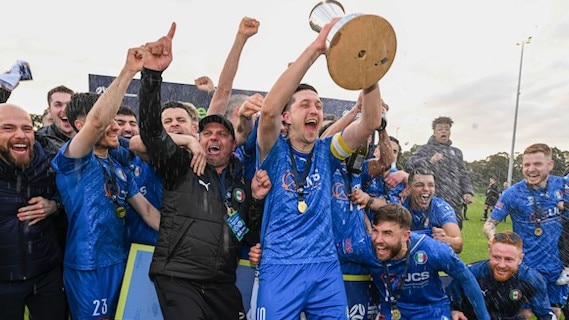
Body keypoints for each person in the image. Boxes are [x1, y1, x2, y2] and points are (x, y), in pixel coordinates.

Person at [255, 16, 384, 318]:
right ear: (288, 118)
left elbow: (370, 122)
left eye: (318, 105)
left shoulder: (327, 152)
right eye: (304, 105)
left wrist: (369, 72)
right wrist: (316, 49)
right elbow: (270, 110)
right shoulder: (273, 150)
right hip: (280, 266)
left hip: (325, 267)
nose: (314, 110)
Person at [138, 22, 265, 320]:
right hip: (179, 279)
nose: (214, 138)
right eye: (207, 133)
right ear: (198, 138)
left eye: (222, 134)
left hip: (222, 284)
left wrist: (257, 199)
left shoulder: (241, 181)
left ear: (233, 144)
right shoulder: (180, 165)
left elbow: (248, 234)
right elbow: (152, 133)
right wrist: (152, 75)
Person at [51, 35, 162, 319]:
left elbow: (148, 212)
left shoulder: (119, 167)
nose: (116, 126)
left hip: (121, 260)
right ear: (80, 125)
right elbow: (98, 121)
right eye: (111, 119)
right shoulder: (73, 160)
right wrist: (128, 72)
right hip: (88, 267)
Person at [483, 143, 569, 319]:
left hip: (556, 269)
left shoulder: (563, 187)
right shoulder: (512, 194)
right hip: (524, 269)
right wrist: (492, 237)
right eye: (526, 165)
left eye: (537, 164)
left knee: (553, 313)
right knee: (523, 314)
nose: (531, 169)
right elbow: (490, 223)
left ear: (550, 165)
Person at [0, 103, 66, 320]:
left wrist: (55, 205)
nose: (20, 135)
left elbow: (75, 198)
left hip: (46, 277)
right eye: (7, 128)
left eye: (27, 129)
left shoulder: (49, 164)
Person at [370, 203, 490, 320]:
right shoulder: (366, 247)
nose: (379, 240)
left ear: (406, 236)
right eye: (375, 231)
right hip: (393, 310)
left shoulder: (432, 249)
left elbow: (466, 278)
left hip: (431, 311)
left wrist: (484, 318)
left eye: (387, 233)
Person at [447, 231, 555, 320]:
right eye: (496, 257)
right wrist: (453, 310)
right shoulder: (471, 274)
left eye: (508, 259)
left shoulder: (531, 279)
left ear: (520, 259)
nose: (501, 265)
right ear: (490, 254)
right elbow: (445, 300)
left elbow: (545, 315)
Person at [405, 116, 474, 229]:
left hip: (454, 202)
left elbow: (463, 174)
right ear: (434, 131)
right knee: (433, 235)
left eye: (446, 129)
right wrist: (429, 160)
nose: (444, 131)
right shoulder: (425, 149)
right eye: (440, 129)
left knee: (453, 237)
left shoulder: (456, 152)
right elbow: (409, 164)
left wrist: (467, 191)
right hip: (432, 201)